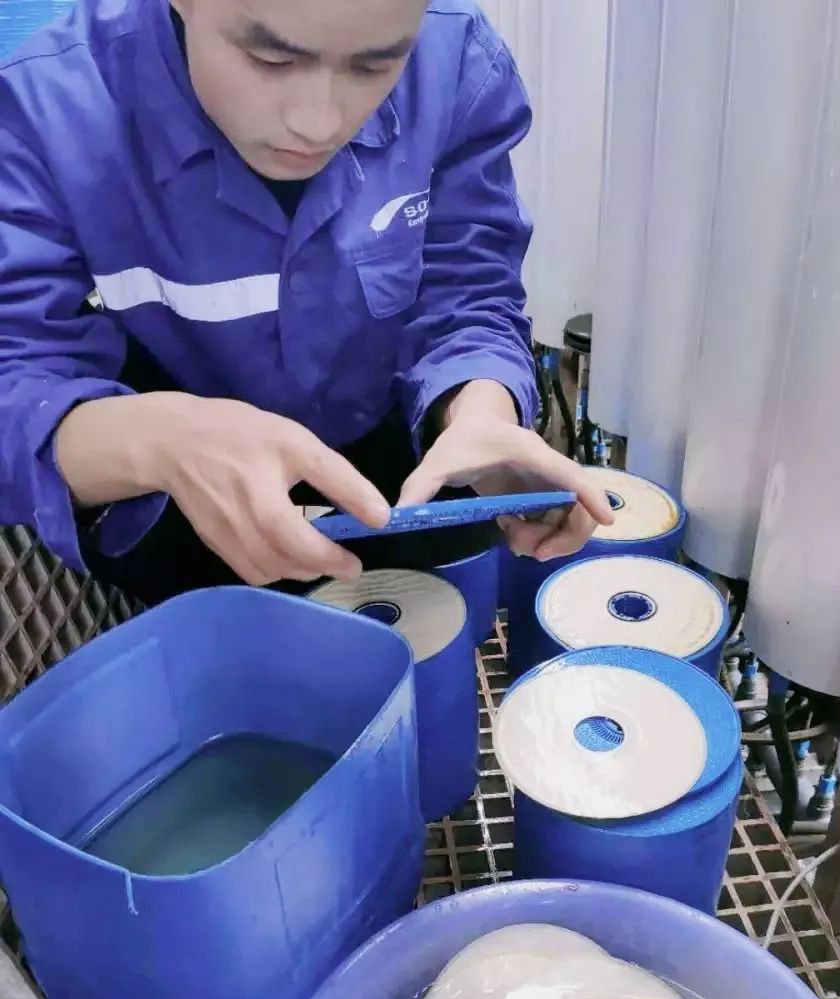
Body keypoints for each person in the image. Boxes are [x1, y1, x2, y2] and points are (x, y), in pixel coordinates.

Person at [0, 0, 613, 606]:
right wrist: (157, 441)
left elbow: (470, 287)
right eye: (271, 59)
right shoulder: (45, 107)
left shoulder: (452, 57)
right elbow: (15, 376)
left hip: (404, 464)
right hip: (180, 498)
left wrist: (481, 413)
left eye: (375, 65)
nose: (318, 123)